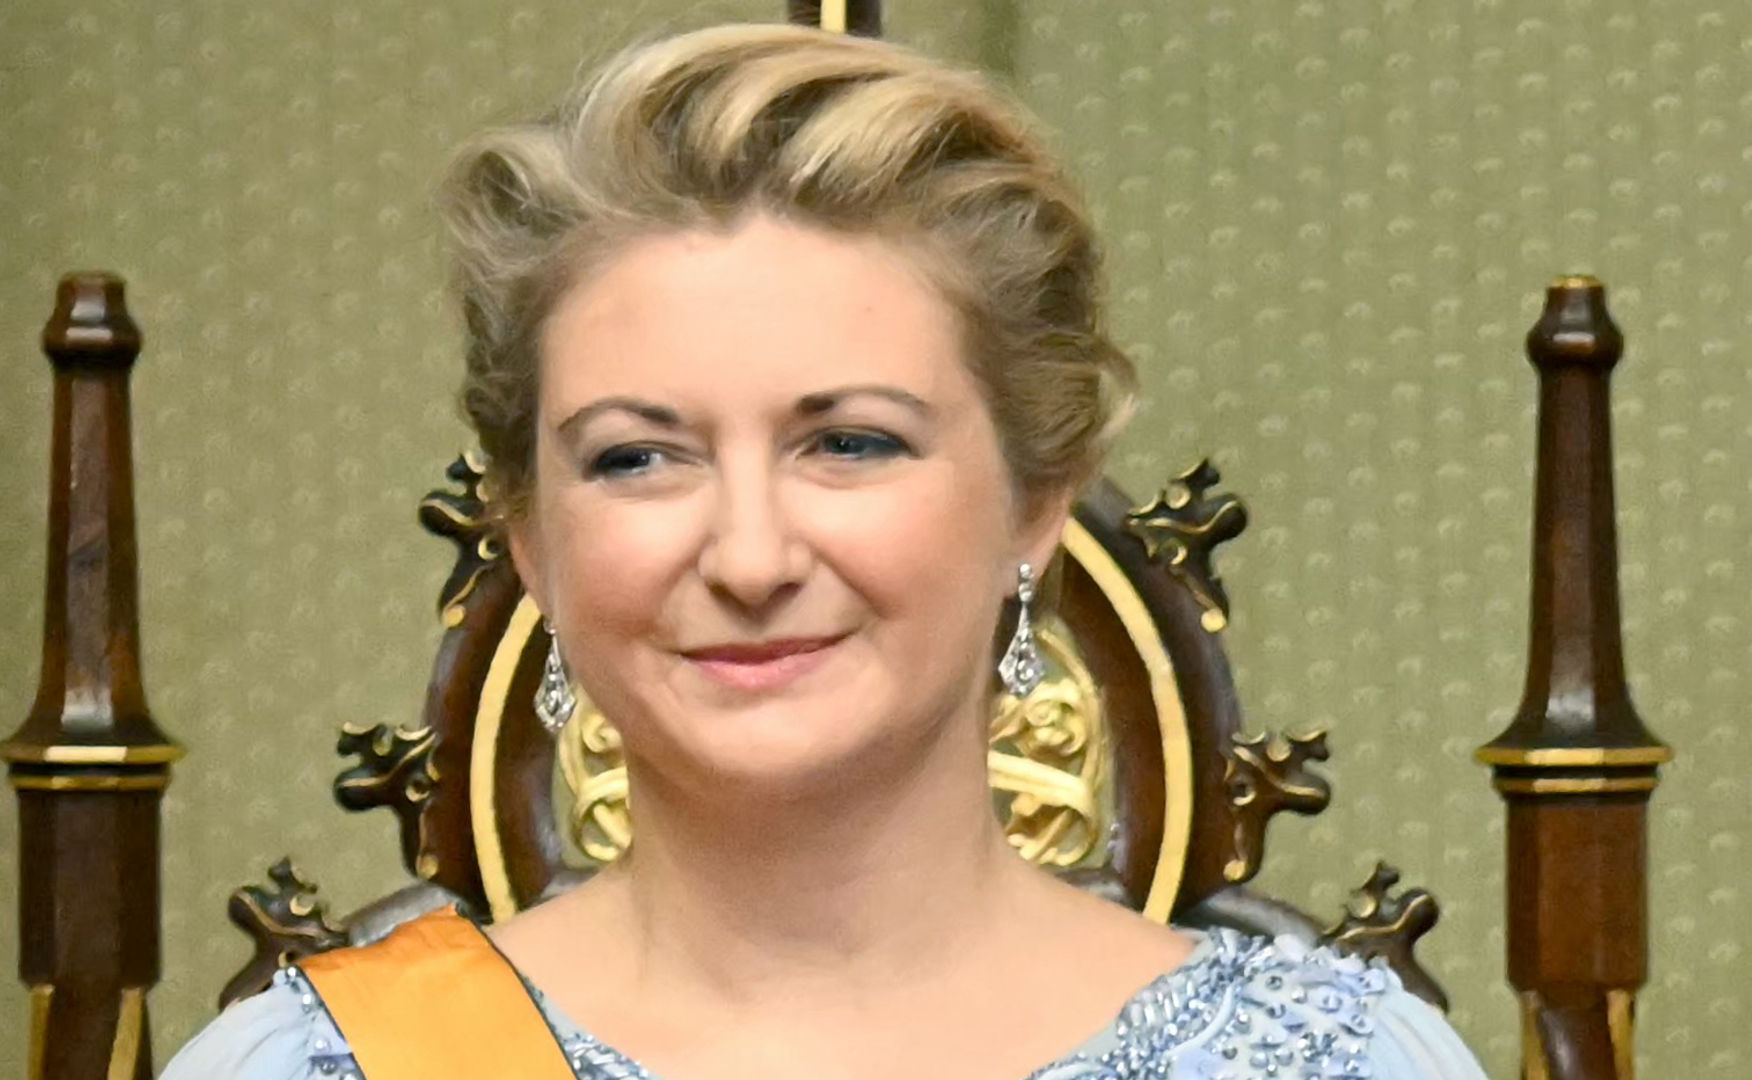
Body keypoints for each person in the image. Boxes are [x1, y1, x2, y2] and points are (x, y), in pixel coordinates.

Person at [163, 22, 1489, 1080]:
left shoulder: (1345, 1064)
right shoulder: (319, 1067)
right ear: (530, 538)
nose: (749, 555)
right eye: (638, 456)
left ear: (1037, 504)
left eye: (850, 443)